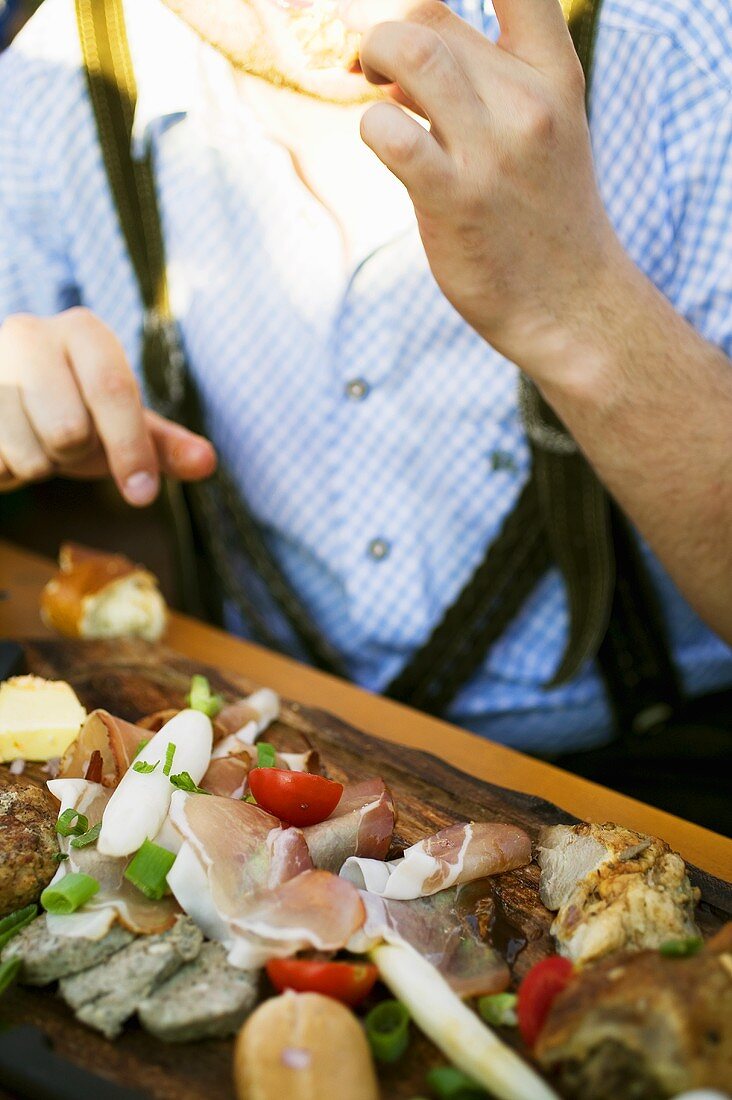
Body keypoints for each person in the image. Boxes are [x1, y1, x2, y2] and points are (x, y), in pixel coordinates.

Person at [0, 0, 730, 818]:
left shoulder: (683, 58)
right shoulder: (65, 72)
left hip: (643, 772)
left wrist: (584, 305)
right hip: (252, 751)